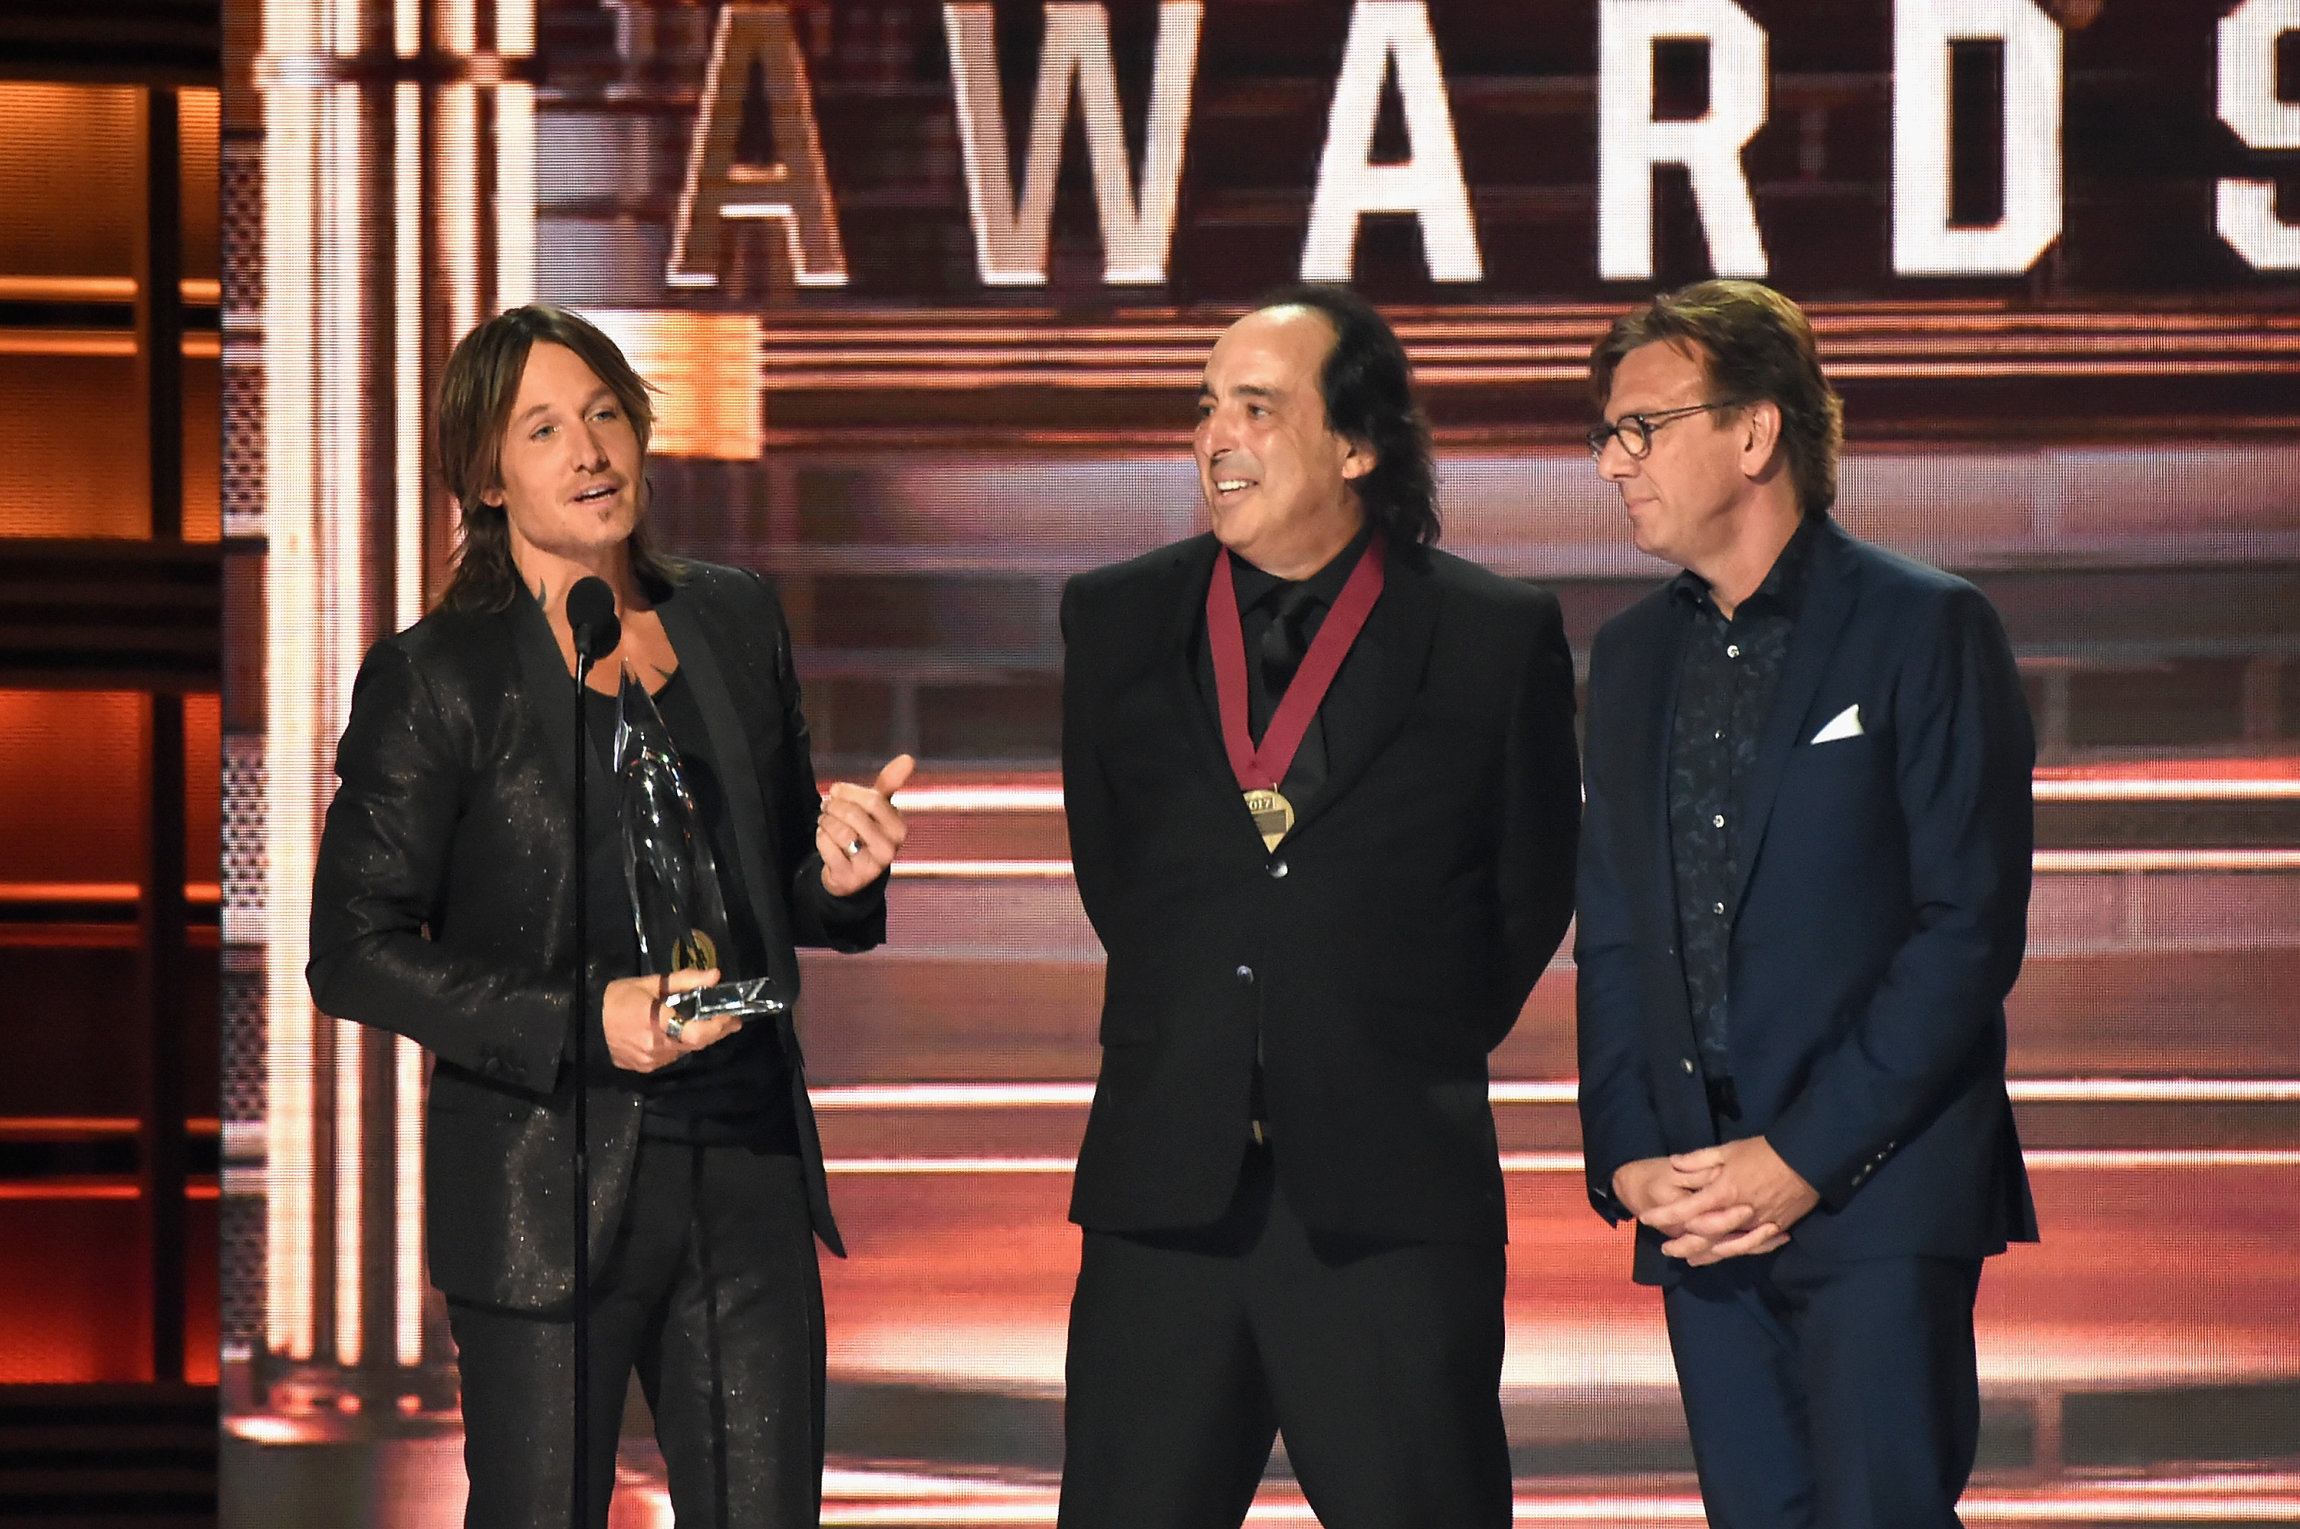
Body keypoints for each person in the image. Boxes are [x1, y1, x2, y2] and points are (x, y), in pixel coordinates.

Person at [306, 304, 912, 1528]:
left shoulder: (730, 617)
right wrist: (587, 1019)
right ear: (485, 474)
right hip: (546, 1176)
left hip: (742, 1156)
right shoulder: (437, 676)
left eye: (603, 413)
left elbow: (782, 866)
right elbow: (352, 950)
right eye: (543, 429)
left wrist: (839, 876)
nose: (589, 450)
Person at [1054, 286, 1581, 1528]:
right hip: (1161, 1196)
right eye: (1204, 409)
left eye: (1256, 407)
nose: (1215, 437)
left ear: (1357, 444)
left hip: (1389, 1197)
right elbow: (1118, 873)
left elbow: (1525, 890)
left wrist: (1367, 1028)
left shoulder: (1493, 634)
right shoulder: (1115, 616)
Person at [1574, 279, 2037, 1529]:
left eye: (1642, 428)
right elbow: (1615, 926)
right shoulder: (1627, 658)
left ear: (1754, 432)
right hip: (1694, 1202)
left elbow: (1965, 928)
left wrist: (1800, 1158)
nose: (1615, 464)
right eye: (1606, 435)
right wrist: (1625, 1158)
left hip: (1875, 1190)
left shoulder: (1923, 625)